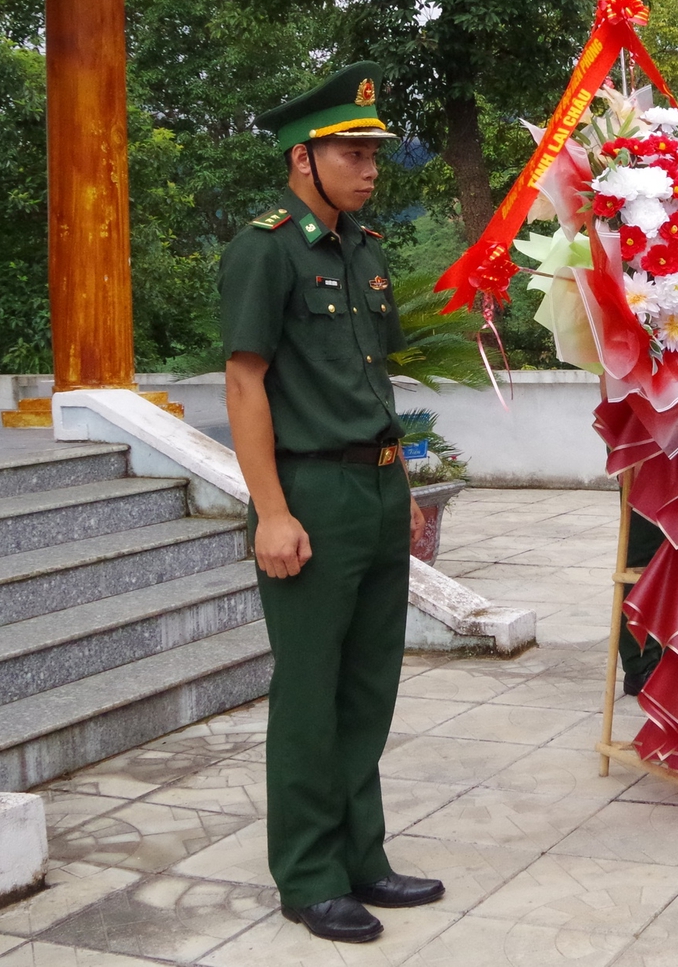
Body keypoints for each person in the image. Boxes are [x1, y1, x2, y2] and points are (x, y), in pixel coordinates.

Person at [220, 63, 443, 944]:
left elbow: (371, 374)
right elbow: (245, 384)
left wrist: (406, 488)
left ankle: (362, 855)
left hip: (379, 486)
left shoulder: (364, 247)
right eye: (351, 152)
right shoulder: (264, 249)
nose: (369, 167)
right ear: (301, 159)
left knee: (369, 685)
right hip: (309, 489)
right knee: (311, 692)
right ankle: (310, 875)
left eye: (373, 154)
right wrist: (270, 511)